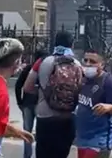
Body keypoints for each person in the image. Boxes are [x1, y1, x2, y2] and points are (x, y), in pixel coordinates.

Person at [23, 30, 82, 158]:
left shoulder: (44, 62)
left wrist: (42, 93)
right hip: (68, 118)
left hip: (46, 117)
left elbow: (27, 87)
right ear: (71, 45)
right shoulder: (77, 64)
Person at [76, 48, 112, 158]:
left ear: (102, 64)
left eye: (92, 62)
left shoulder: (108, 82)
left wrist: (110, 108)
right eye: (85, 60)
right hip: (82, 139)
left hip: (99, 141)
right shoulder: (83, 79)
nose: (88, 64)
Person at [15, 48, 47, 158]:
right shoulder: (46, 70)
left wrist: (20, 102)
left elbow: (18, 85)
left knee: (27, 132)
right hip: (41, 105)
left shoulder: (29, 69)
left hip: (27, 104)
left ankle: (27, 156)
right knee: (41, 132)